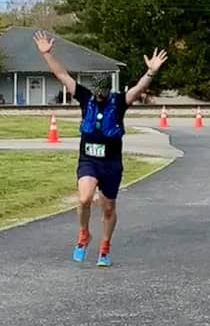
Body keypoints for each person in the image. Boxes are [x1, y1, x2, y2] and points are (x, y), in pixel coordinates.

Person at [33, 31, 168, 267]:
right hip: (89, 160)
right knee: (84, 199)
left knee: (108, 209)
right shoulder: (85, 98)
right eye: (96, 93)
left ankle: (105, 246)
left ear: (107, 92)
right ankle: (84, 234)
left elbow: (138, 88)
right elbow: (61, 74)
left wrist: (151, 72)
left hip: (111, 164)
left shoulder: (118, 102)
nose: (98, 96)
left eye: (101, 94)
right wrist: (47, 54)